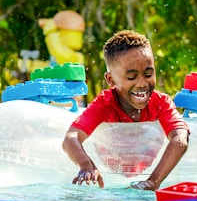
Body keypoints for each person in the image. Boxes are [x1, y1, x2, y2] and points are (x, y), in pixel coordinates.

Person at [62, 30, 189, 191]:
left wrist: (152, 182)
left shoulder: (160, 103)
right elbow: (70, 138)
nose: (142, 83)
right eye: (131, 77)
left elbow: (180, 139)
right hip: (111, 174)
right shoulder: (105, 104)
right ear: (111, 80)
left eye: (149, 73)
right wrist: (87, 165)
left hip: (148, 170)